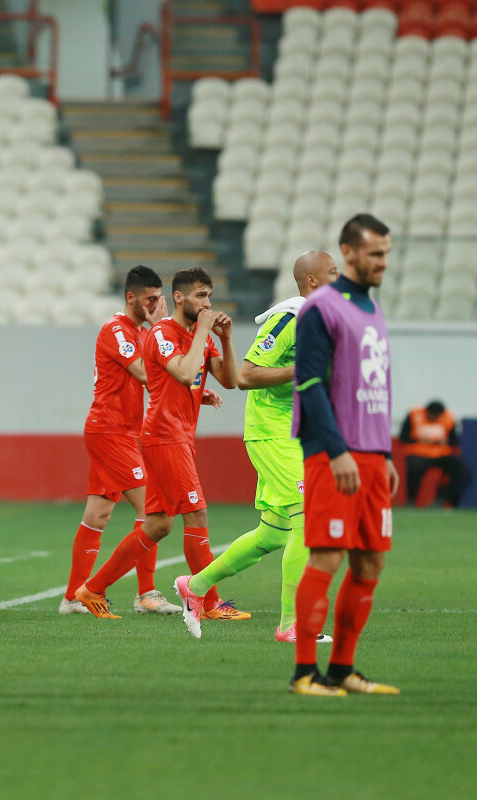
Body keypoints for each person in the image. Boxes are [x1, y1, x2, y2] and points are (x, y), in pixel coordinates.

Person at [174, 251, 339, 642]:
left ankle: (195, 586)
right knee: (311, 519)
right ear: (312, 281)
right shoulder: (290, 319)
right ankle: (292, 625)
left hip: (296, 434)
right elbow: (246, 375)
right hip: (271, 431)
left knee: (273, 533)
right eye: (334, 272)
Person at [71, 267, 246, 622]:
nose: (208, 303)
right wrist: (203, 331)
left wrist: (226, 339)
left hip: (177, 436)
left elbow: (231, 380)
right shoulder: (163, 333)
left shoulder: (200, 336)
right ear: (179, 297)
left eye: (210, 296)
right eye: (200, 295)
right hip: (164, 436)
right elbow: (184, 373)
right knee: (196, 514)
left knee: (158, 524)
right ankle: (209, 603)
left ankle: (92, 589)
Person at [276, 214, 401, 696]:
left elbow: (376, 386)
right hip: (334, 456)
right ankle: (304, 672)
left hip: (370, 456)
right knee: (326, 557)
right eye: (374, 253)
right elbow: (308, 382)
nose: (382, 262)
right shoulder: (320, 308)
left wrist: (383, 452)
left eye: (386, 253)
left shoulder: (372, 309)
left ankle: (342, 668)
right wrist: (335, 449)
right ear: (348, 252)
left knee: (370, 564)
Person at [61, 265, 183, 617]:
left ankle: (72, 598)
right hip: (109, 431)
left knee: (97, 514)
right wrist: (161, 329)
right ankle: (145, 594)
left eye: (159, 299)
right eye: (151, 299)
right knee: (154, 511)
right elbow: (147, 374)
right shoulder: (116, 330)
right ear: (131, 297)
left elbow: (159, 378)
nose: (156, 305)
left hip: (122, 432)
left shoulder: (141, 333)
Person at [399, 400, 471, 508]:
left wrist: (445, 441)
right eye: (432, 415)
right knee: (414, 466)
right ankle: (411, 501)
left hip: (441, 454)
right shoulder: (414, 414)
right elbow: (403, 437)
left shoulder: (448, 417)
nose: (434, 418)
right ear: (427, 411)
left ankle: (442, 499)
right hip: (418, 453)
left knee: (463, 469)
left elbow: (455, 440)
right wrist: (419, 440)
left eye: (437, 416)